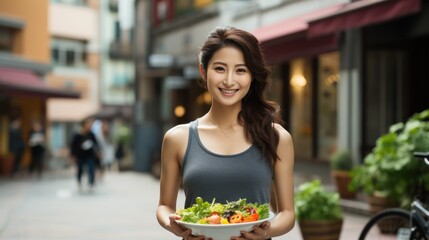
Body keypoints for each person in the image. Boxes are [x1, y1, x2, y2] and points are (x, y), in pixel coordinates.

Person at [156, 26, 295, 240]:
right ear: (203, 71)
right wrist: (172, 223)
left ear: (252, 76)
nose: (229, 81)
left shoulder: (277, 138)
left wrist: (267, 231)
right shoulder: (177, 138)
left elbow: (287, 214)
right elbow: (165, 206)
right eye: (220, 69)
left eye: (241, 70)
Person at [70, 117, 100, 192]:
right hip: (80, 155)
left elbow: (96, 144)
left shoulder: (91, 135)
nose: (89, 126)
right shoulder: (77, 135)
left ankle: (91, 184)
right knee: (80, 169)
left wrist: (98, 152)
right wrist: (73, 155)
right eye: (88, 124)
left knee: (91, 169)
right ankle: (79, 183)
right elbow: (73, 146)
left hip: (90, 155)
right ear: (83, 125)